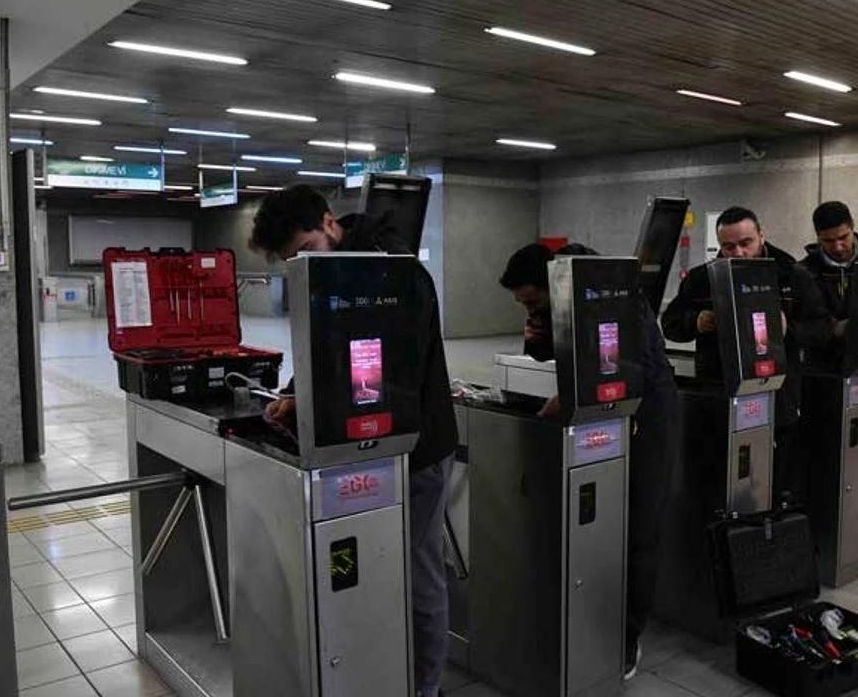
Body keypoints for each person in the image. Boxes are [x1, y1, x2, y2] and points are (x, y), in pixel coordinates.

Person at [248, 185, 457, 697]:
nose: (302, 265)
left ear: (329, 223)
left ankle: (425, 688)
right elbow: (326, 349)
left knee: (417, 573)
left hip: (418, 448)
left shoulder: (394, 271)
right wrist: (299, 395)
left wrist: (318, 402)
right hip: (365, 446)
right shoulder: (332, 273)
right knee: (374, 568)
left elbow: (390, 369)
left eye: (306, 251)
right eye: (290, 260)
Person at [498, 242, 679, 680]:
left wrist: (573, 397)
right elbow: (550, 352)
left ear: (552, 285)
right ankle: (585, 616)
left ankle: (626, 638)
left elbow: (623, 369)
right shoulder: (560, 291)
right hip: (602, 414)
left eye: (532, 301)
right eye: (523, 305)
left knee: (639, 527)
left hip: (647, 417)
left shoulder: (609, 294)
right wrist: (536, 331)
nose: (530, 309)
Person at [661, 207, 831, 505]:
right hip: (720, 398)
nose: (738, 252)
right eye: (729, 246)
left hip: (777, 400)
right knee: (719, 485)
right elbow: (671, 324)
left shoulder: (792, 276)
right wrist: (696, 321)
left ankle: (769, 540)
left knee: (775, 484)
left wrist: (789, 329)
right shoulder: (703, 279)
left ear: (761, 236)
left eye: (746, 243)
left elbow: (822, 329)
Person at [799, 200, 858, 568]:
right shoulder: (804, 271)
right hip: (822, 374)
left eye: (842, 237)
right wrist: (843, 326)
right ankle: (824, 533)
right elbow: (812, 327)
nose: (837, 246)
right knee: (822, 452)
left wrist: (837, 327)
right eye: (827, 241)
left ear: (853, 227)